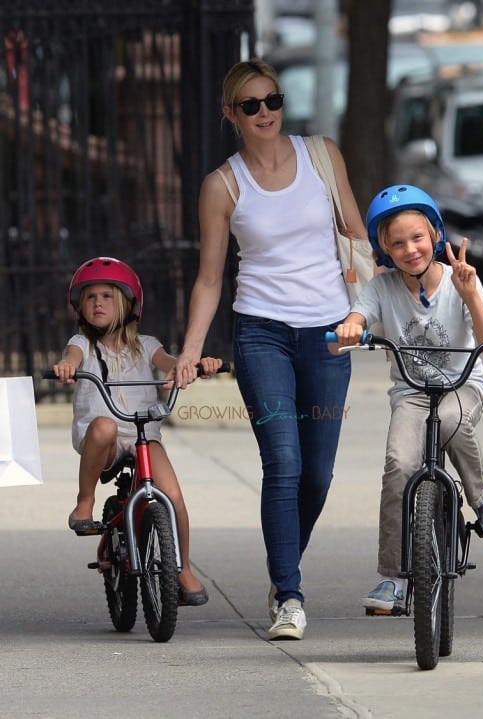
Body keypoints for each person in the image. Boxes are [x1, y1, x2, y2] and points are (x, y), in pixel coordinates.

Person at [174, 58, 369, 640]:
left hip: (330, 334)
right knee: (283, 464)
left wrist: (375, 307)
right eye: (252, 105)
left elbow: (356, 234)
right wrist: (190, 351)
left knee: (318, 475)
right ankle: (289, 594)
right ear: (231, 114)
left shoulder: (322, 155)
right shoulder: (222, 185)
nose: (267, 113)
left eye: (274, 101)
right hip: (261, 332)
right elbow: (210, 278)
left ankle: (285, 562)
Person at [333, 184, 483, 612]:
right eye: (397, 243)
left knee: (452, 420)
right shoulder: (383, 288)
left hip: (464, 386)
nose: (410, 249)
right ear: (384, 249)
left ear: (435, 235)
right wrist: (349, 326)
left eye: (417, 237)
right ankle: (392, 579)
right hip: (412, 395)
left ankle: (482, 495)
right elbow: (356, 318)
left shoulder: (461, 280)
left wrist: (470, 294)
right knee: (399, 464)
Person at [53, 256, 222, 607]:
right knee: (104, 426)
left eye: (107, 296)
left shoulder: (147, 345)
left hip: (143, 434)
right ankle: (84, 501)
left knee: (172, 496)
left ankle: (182, 568)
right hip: (103, 440)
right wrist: (68, 366)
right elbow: (71, 356)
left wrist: (193, 366)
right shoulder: (82, 345)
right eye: (90, 297)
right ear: (79, 306)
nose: (97, 303)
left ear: (128, 305)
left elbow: (171, 364)